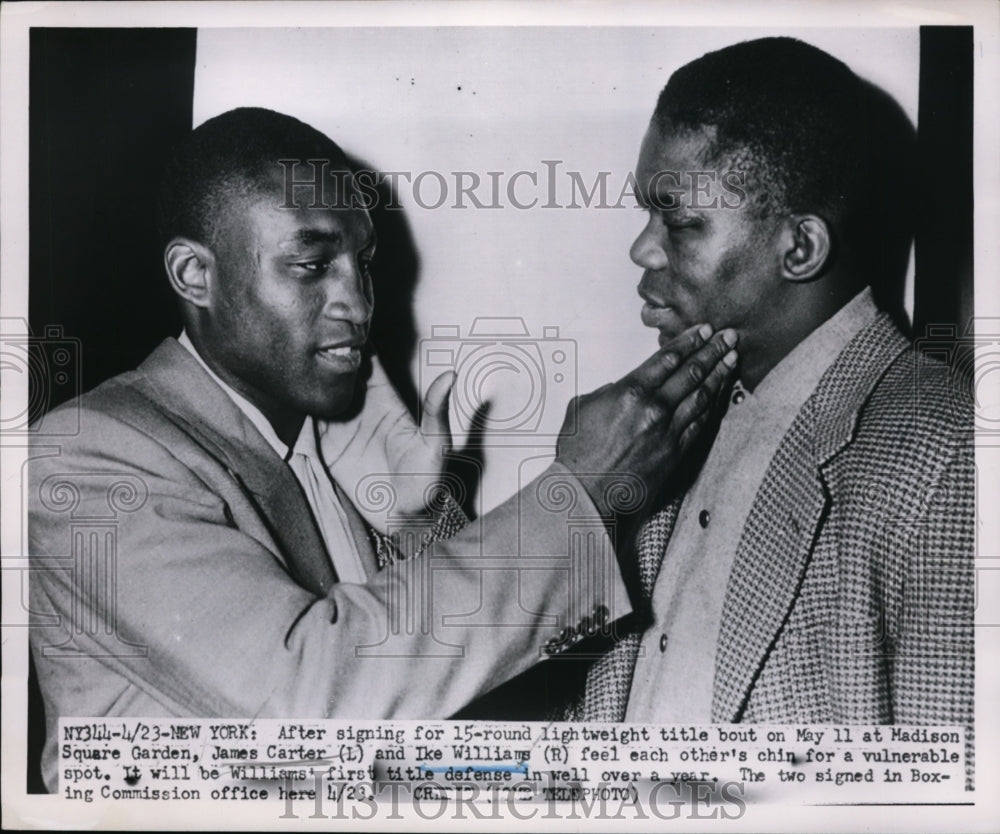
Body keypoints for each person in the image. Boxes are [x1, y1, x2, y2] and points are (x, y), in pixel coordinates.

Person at [27, 107, 738, 791]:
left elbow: (428, 714)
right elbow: (309, 709)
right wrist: (577, 493)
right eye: (312, 265)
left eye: (362, 262)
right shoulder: (91, 454)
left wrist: (418, 524)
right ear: (194, 275)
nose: (360, 304)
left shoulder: (323, 445)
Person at [566, 37, 974, 784]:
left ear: (800, 247)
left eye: (678, 221)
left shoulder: (949, 451)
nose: (642, 250)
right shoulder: (659, 426)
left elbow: (957, 799)